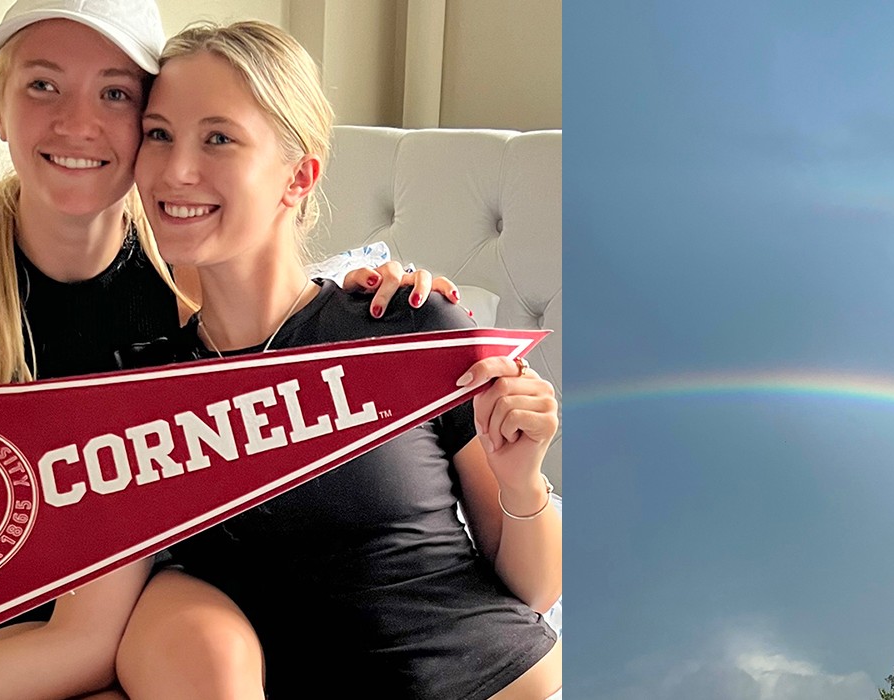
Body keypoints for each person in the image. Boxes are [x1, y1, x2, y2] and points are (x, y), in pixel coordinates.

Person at [0, 1, 462, 698]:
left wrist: (384, 288)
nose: (78, 122)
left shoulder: (189, 275)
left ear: (143, 123)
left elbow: (295, 323)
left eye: (115, 93)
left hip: (133, 617)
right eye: (42, 85)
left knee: (201, 643)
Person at [106, 21, 561, 699]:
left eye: (219, 138)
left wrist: (522, 478)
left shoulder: (404, 322)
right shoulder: (144, 388)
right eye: (159, 134)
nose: (174, 171)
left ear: (300, 176)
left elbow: (533, 587)